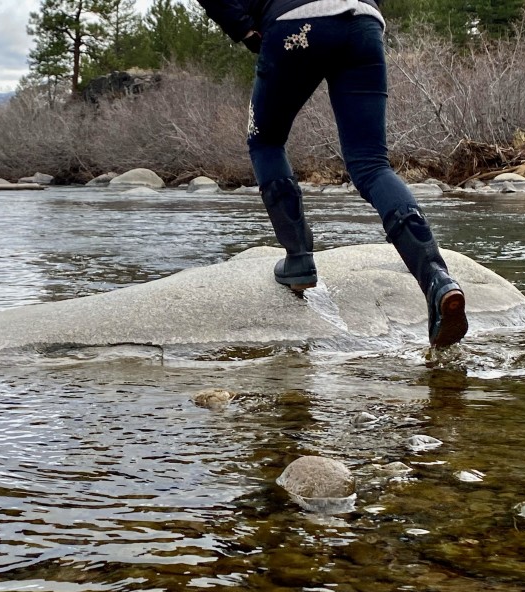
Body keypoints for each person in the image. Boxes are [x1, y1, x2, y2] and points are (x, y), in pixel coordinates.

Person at [196, 0, 468, 348]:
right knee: (372, 164)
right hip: (362, 23)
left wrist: (245, 29)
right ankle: (436, 277)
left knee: (265, 142)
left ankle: (298, 260)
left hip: (295, 24)